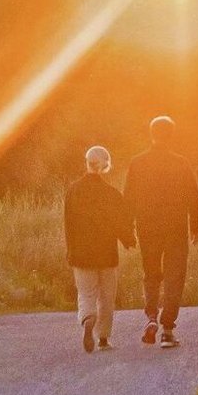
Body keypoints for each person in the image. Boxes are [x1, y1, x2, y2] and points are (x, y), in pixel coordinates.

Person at [123, 116, 198, 349]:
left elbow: (129, 198)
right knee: (174, 276)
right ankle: (167, 330)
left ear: (151, 134)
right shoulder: (181, 163)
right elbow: (193, 196)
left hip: (148, 228)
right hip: (175, 228)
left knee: (151, 274)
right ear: (172, 135)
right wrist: (196, 226)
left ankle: (151, 317)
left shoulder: (138, 163)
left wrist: (127, 230)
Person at [63, 145, 134, 353]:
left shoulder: (73, 191)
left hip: (81, 254)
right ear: (105, 165)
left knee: (86, 294)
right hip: (106, 254)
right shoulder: (111, 193)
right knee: (106, 297)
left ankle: (88, 319)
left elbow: (68, 224)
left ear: (87, 163)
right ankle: (103, 338)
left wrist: (71, 251)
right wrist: (128, 240)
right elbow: (120, 222)